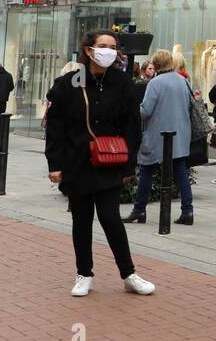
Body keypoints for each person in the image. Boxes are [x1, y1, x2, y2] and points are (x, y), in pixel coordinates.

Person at [44, 30, 155, 297]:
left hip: (110, 160)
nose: (109, 50)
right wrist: (54, 164)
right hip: (77, 162)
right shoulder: (69, 83)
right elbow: (55, 127)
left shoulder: (122, 83)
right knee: (82, 220)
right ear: (89, 50)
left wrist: (129, 164)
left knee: (110, 217)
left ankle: (129, 273)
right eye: (103, 46)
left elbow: (132, 127)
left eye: (113, 46)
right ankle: (84, 273)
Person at [127, 48, 194, 225]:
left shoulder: (155, 83)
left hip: (157, 134)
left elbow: (145, 111)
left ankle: (139, 210)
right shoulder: (183, 81)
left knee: (146, 171)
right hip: (180, 133)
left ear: (155, 65)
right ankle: (188, 211)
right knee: (180, 172)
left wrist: (133, 108)